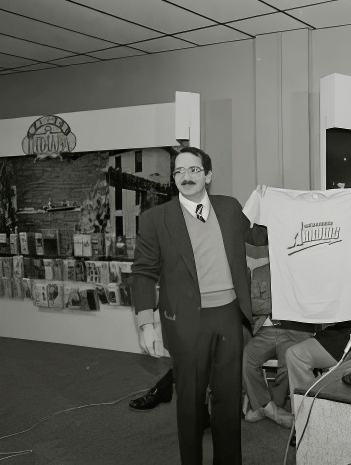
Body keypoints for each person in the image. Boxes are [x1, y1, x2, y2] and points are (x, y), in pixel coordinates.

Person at [131, 146, 266, 464]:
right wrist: (145, 322)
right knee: (190, 402)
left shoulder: (230, 208)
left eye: (193, 170)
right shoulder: (156, 219)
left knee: (228, 399)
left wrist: (274, 208)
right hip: (186, 321)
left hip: (229, 316)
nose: (185, 176)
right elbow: (143, 273)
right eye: (178, 171)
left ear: (208, 175)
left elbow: (259, 237)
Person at [243, 262, 315, 429]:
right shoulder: (260, 272)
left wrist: (275, 303)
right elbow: (253, 306)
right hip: (267, 329)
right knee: (246, 358)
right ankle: (270, 409)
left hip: (294, 329)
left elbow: (308, 304)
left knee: (288, 360)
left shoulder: (304, 269)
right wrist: (281, 301)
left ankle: (271, 405)